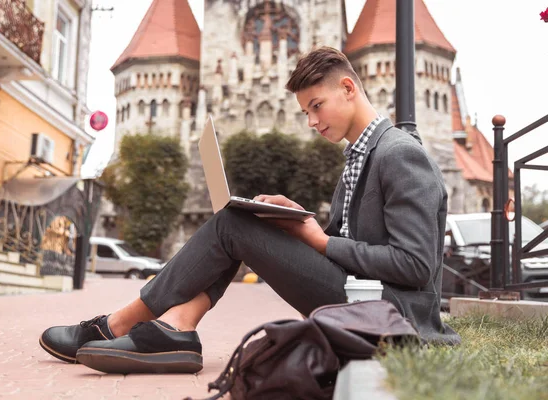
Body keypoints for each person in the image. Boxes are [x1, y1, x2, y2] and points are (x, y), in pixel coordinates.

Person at [39, 46, 460, 375]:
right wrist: (300, 220)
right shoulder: (360, 155)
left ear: (349, 88)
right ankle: (177, 326)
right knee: (239, 221)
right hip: (362, 298)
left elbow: (416, 265)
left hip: (395, 319)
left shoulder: (400, 154)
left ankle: (121, 325)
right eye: (305, 112)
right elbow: (358, 244)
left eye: (316, 105)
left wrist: (319, 238)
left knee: (231, 223)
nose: (311, 122)